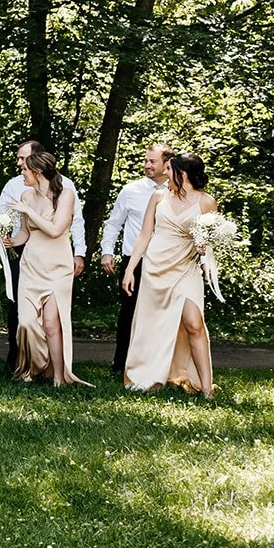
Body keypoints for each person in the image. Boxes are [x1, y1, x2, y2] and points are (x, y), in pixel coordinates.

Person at [0, 140, 87, 372]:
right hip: (28, 256)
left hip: (57, 258)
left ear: (36, 163)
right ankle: (23, 364)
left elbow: (72, 224)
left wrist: (79, 252)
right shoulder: (18, 188)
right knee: (21, 316)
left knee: (51, 322)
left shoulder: (65, 189)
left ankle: (56, 371)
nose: (19, 164)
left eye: (22, 160)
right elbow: (2, 214)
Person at [123, 154, 218, 397]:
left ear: (183, 174)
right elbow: (144, 235)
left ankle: (206, 388)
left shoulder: (207, 202)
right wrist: (130, 268)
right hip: (156, 267)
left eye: (169, 170)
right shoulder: (158, 197)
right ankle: (149, 373)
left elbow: (209, 241)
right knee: (152, 324)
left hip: (186, 268)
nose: (165, 174)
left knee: (194, 323)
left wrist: (203, 247)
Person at [7, 149, 88, 386]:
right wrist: (12, 242)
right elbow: (25, 232)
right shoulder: (25, 196)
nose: (21, 172)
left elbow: (55, 230)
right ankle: (37, 367)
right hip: (31, 265)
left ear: (37, 171)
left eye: (24, 169)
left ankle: (59, 378)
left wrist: (29, 211)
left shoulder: (66, 195)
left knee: (52, 324)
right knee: (26, 323)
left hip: (58, 266)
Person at [100, 143, 173, 377]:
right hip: (134, 261)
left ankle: (157, 366)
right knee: (128, 314)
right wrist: (107, 251)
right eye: (146, 161)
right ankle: (120, 365)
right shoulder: (131, 190)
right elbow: (113, 223)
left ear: (166, 164)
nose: (147, 165)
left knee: (161, 315)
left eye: (153, 161)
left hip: (166, 262)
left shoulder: (178, 191)